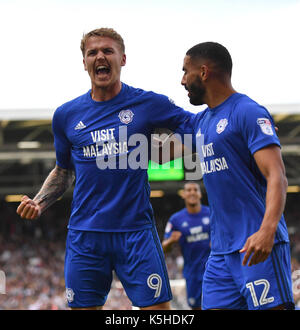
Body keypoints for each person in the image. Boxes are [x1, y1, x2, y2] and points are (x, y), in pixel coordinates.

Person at [16, 28, 195, 310]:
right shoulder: (66, 115)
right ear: (84, 62)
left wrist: (164, 152)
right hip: (85, 235)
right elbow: (63, 171)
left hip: (135, 232)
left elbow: (195, 127)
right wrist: (39, 202)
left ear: (122, 59)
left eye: (108, 51)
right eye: (93, 52)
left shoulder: (147, 103)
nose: (100, 56)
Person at [177, 41, 294, 309]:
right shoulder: (201, 122)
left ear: (204, 72)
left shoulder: (247, 111)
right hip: (220, 254)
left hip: (258, 246)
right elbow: (158, 153)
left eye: (186, 71)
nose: (182, 80)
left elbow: (277, 175)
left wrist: (267, 231)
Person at [162, 182, 210, 310]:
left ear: (200, 194)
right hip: (192, 273)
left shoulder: (211, 213)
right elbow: (164, 248)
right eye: (188, 190)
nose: (192, 192)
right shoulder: (176, 219)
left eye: (195, 189)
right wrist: (171, 240)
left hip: (213, 270)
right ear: (183, 194)